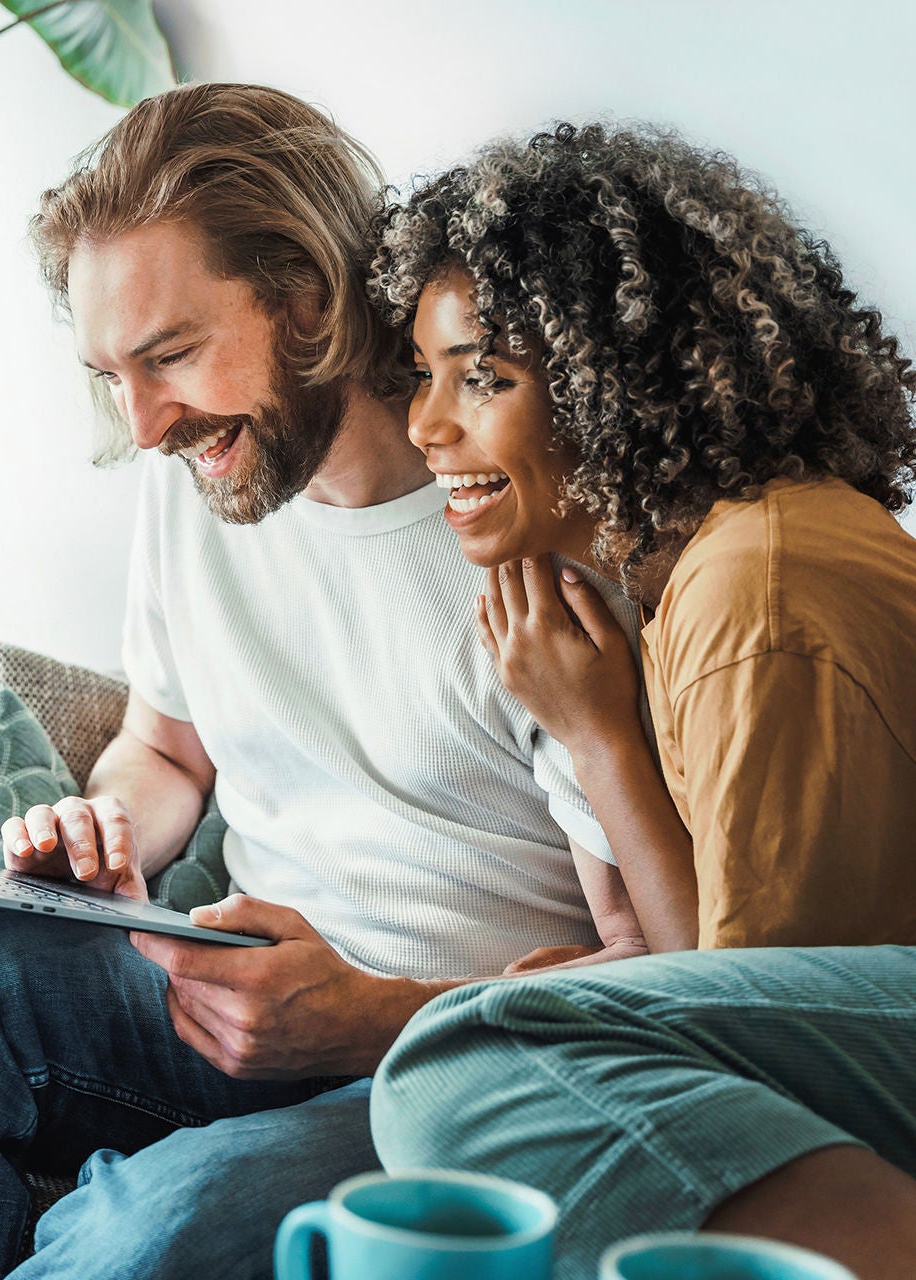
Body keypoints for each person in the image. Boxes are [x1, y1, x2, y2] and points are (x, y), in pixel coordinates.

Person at [0, 88, 652, 1280]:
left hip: (442, 1057)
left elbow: (656, 962)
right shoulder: (200, 479)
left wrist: (376, 1006)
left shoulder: (519, 539)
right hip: (222, 999)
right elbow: (169, 747)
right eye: (111, 371)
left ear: (306, 300)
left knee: (139, 1235)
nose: (141, 425)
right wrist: (105, 828)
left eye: (170, 354)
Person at [366, 122, 916, 1279]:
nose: (426, 426)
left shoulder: (754, 595)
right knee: (499, 1030)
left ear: (616, 379)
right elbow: (736, 983)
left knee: (461, 1057)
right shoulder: (695, 573)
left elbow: (751, 1035)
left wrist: (595, 734)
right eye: (424, 375)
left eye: (483, 378)